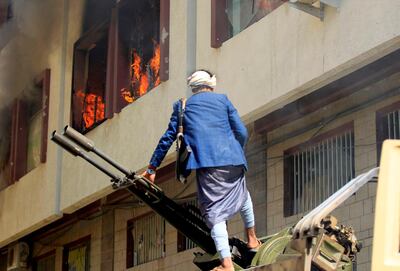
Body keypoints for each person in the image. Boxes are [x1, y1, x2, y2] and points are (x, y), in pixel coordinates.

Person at [142, 70, 260, 271]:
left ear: (193, 87)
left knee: (215, 213)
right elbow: (242, 131)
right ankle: (252, 240)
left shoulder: (182, 107)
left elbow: (167, 138)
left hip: (208, 163)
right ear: (211, 85)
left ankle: (226, 265)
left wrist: (152, 168)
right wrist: (235, 151)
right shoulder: (223, 100)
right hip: (234, 159)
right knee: (243, 195)